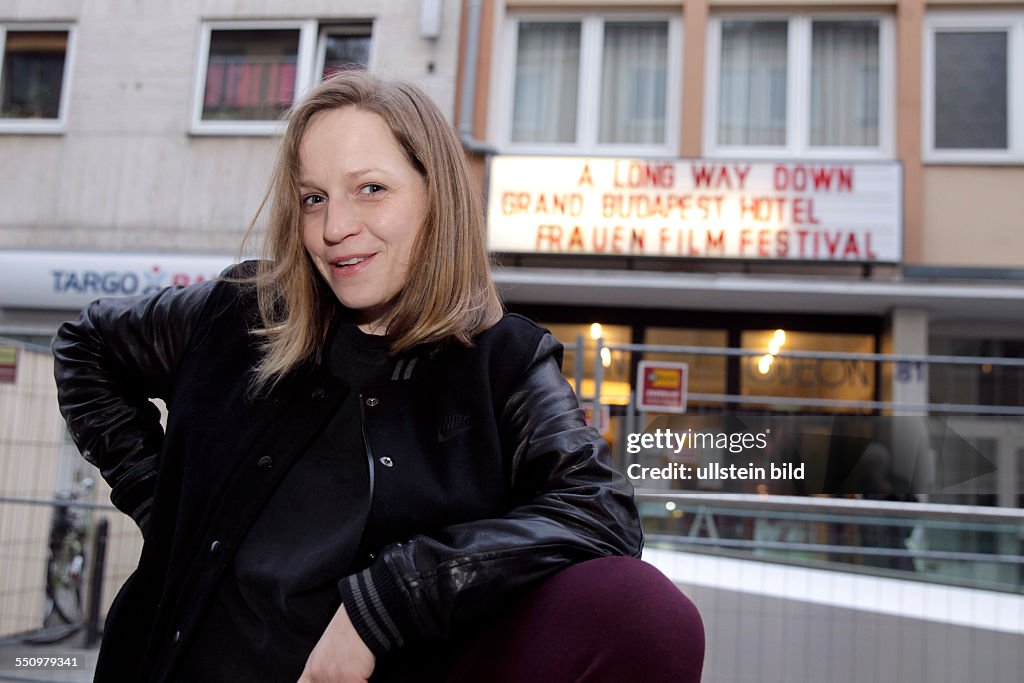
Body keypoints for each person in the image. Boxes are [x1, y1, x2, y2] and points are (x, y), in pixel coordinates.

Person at [52, 71, 703, 682]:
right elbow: (86, 345)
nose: (335, 228)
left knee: (643, 609)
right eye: (314, 197)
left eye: (370, 188)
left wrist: (392, 597)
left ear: (434, 196)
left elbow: (601, 513)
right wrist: (169, 511)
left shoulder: (503, 362)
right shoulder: (240, 314)